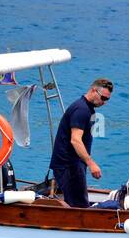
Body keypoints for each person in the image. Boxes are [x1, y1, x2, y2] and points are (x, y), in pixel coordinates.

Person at [48, 78, 112, 208]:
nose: (104, 103)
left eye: (107, 100)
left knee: (77, 201)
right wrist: (91, 163)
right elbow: (75, 140)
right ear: (94, 90)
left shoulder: (85, 107)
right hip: (69, 165)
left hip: (73, 164)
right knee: (79, 206)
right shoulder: (82, 110)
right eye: (103, 98)